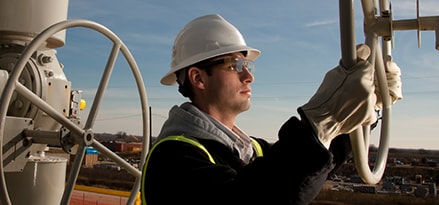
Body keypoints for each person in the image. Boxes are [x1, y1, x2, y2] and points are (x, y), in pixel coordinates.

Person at [141, 14, 377, 205]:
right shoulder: (172, 159)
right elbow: (251, 196)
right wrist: (324, 118)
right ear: (198, 78)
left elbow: (306, 172)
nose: (249, 76)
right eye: (235, 65)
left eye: (247, 65)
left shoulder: (248, 149)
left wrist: (365, 110)